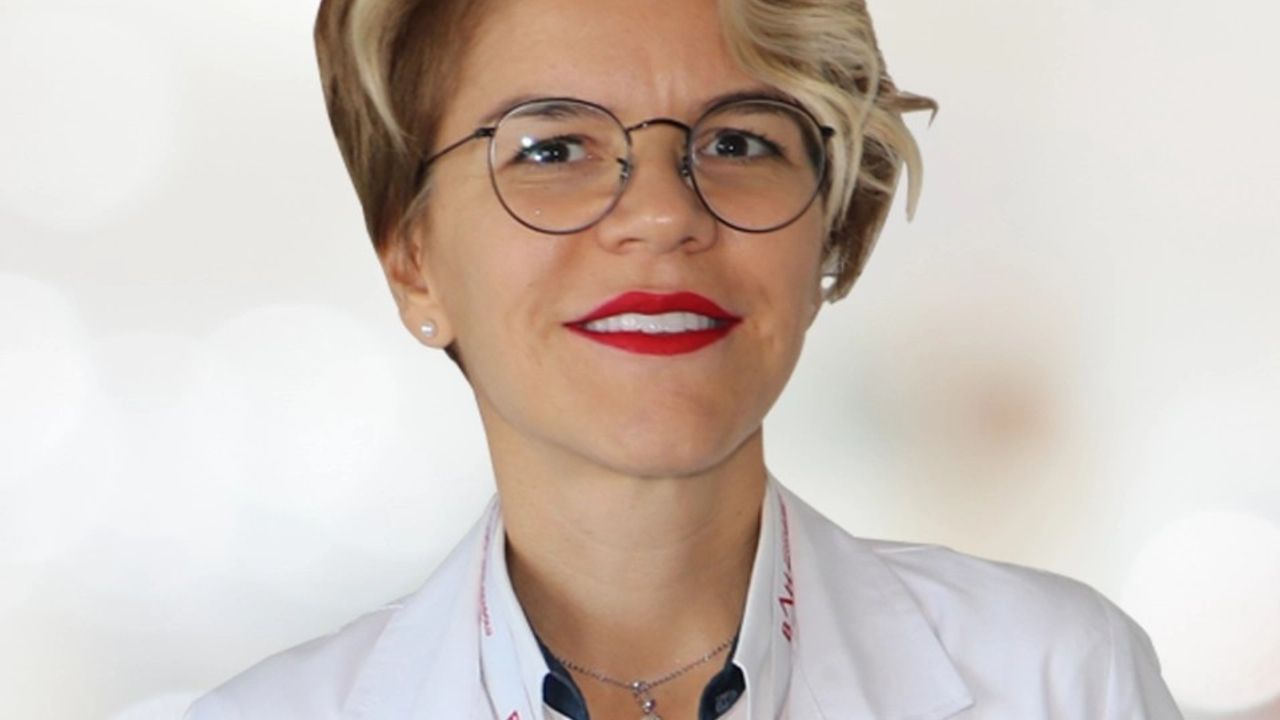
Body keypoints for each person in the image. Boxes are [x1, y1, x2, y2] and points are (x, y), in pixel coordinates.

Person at [186, 0, 1183, 717]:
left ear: (827, 234)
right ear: (413, 261)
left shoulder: (1058, 681)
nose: (663, 214)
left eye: (739, 143)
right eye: (551, 148)